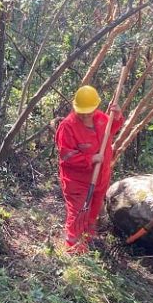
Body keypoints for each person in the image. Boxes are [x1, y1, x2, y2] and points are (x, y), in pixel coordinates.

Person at [55, 85, 124, 253]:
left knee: (92, 214)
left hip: (101, 178)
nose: (86, 115)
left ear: (96, 107)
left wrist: (117, 117)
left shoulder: (101, 118)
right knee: (78, 214)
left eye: (89, 111)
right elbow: (66, 156)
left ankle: (87, 242)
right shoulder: (67, 126)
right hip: (78, 182)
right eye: (82, 112)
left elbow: (112, 129)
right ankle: (74, 250)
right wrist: (91, 158)